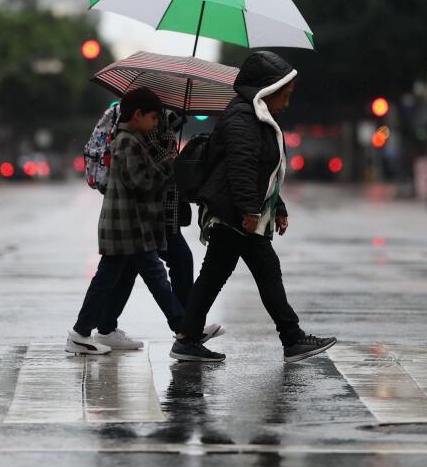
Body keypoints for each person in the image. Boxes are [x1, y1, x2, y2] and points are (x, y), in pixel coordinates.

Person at [170, 50, 336, 364]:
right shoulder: (243, 117)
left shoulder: (254, 117)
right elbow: (242, 168)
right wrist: (250, 210)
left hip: (237, 213)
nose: (286, 103)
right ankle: (292, 338)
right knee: (264, 273)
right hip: (235, 214)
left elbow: (265, 172)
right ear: (266, 91)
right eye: (284, 95)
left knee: (216, 276)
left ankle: (188, 338)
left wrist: (279, 208)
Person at [66, 88, 186, 355]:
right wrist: (168, 165)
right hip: (127, 227)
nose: (155, 124)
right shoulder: (127, 142)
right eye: (153, 118)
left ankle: (83, 331)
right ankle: (184, 328)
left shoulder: (131, 139)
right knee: (154, 277)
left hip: (127, 226)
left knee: (110, 280)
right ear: (138, 115)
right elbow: (142, 182)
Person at [95, 108, 224, 350]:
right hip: (152, 213)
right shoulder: (149, 124)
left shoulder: (164, 121)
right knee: (169, 265)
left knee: (128, 269)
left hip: (159, 211)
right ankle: (187, 328)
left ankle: (104, 328)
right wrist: (172, 160)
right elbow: (148, 172)